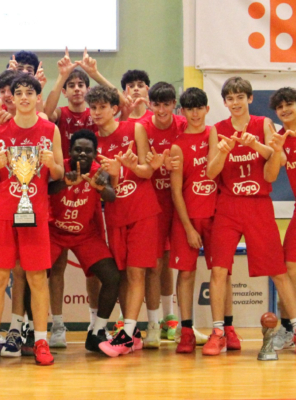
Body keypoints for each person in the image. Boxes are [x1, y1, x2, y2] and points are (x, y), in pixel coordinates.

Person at [0, 73, 64, 367]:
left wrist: (52, 165)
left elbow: (60, 173)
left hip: (34, 214)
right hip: (3, 215)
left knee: (37, 279)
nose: (24, 97)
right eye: (19, 93)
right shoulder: (0, 133)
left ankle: (40, 341)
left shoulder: (50, 130)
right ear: (11, 98)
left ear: (38, 98)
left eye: (30, 92)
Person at [204, 76, 296, 355]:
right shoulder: (218, 130)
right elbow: (210, 172)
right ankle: (218, 332)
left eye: (240, 97)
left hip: (258, 205)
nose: (235, 102)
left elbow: (273, 166)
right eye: (230, 98)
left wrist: (255, 145)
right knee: (218, 270)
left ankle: (294, 328)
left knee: (278, 271)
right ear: (224, 102)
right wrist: (223, 153)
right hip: (228, 206)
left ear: (250, 99)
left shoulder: (263, 124)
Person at [84, 85, 160, 357]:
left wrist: (129, 167)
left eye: (102, 107)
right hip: (116, 215)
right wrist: (114, 175)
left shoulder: (135, 129)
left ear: (114, 108)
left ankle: (126, 335)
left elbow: (147, 171)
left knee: (137, 273)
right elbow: (105, 189)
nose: (97, 112)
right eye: (93, 108)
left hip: (142, 211)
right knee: (124, 274)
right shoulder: (92, 142)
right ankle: (133, 332)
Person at [169, 87, 234, 352]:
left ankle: (227, 328)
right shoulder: (177, 145)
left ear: (207, 109)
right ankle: (186, 330)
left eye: (199, 108)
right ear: (182, 112)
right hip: (188, 218)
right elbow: (175, 191)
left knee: (222, 272)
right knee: (186, 273)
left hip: (216, 216)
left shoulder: (214, 135)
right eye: (189, 109)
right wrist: (187, 227)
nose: (195, 114)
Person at [48, 129, 120, 352]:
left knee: (112, 277)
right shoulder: (60, 168)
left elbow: (111, 196)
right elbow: (45, 189)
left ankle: (97, 331)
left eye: (88, 151)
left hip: (85, 234)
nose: (82, 154)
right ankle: (41, 329)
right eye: (78, 149)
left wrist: (102, 187)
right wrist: (65, 183)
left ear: (95, 154)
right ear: (69, 152)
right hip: (54, 231)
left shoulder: (99, 172)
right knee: (34, 275)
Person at [137, 82, 187, 347]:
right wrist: (158, 165)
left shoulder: (183, 124)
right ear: (150, 105)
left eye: (167, 104)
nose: (162, 110)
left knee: (174, 263)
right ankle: (153, 325)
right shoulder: (143, 127)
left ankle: (172, 320)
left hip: (180, 201)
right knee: (154, 264)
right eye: (157, 105)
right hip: (153, 202)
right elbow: (143, 166)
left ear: (174, 104)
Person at [268, 87, 296, 350]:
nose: (285, 110)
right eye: (280, 107)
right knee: (288, 269)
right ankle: (289, 329)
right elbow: (273, 171)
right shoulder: (278, 137)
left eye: (289, 104)